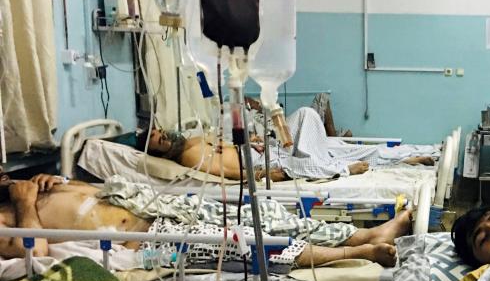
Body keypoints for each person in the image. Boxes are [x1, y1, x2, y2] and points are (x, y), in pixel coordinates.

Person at [0, 171, 410, 267]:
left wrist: (58, 181)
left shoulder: (39, 185)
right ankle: (357, 254)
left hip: (162, 209)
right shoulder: (15, 212)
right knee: (247, 244)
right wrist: (24, 204)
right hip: (148, 240)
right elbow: (30, 257)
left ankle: (359, 233)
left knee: (267, 213)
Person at [138, 106, 435, 182]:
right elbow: (231, 175)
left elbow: (227, 144)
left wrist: (251, 139)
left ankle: (319, 152)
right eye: (158, 140)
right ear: (155, 152)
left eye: (160, 131)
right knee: (309, 162)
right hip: (260, 163)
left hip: (262, 147)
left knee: (306, 114)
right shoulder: (189, 159)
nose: (164, 135)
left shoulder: (192, 138)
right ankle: (347, 168)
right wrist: (266, 174)